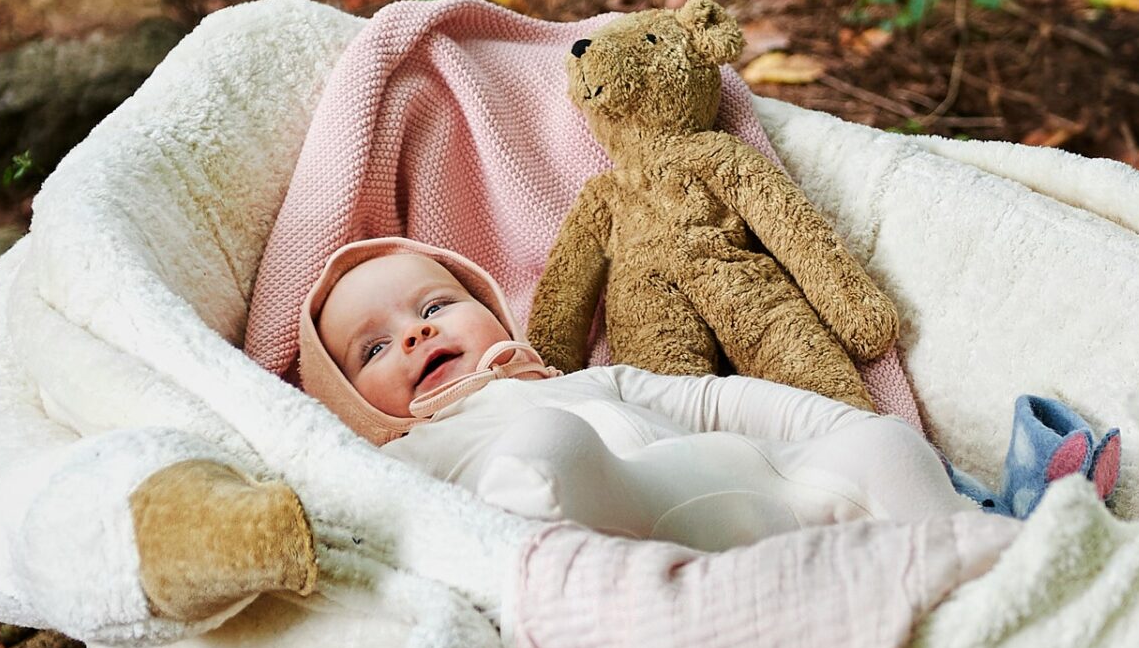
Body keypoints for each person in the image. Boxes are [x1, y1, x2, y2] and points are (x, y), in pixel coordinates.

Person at [298, 238, 1000, 556]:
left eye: (434, 305)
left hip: (772, 496)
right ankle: (550, 561)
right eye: (375, 348)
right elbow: (377, 542)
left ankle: (987, 562)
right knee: (547, 452)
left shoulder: (587, 382)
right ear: (353, 409)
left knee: (885, 448)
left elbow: (720, 403)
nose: (416, 335)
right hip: (622, 542)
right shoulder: (411, 459)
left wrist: (837, 423)